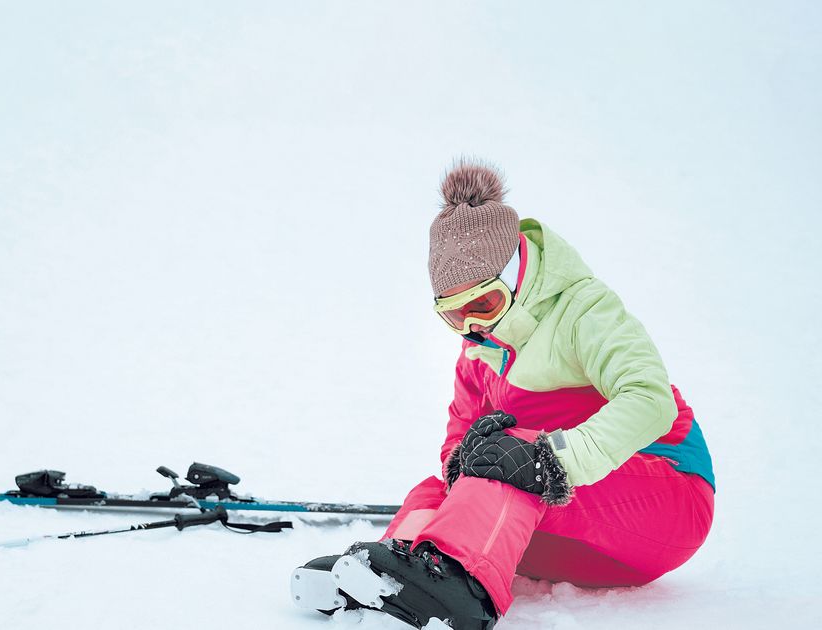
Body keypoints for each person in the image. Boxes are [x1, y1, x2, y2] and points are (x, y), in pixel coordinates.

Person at [290, 161, 715, 629]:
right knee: (441, 485)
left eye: (485, 303)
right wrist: (464, 465)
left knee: (511, 460)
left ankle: (460, 595)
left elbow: (650, 400)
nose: (474, 325)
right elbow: (457, 439)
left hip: (666, 501)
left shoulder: (584, 310)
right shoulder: (478, 354)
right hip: (578, 540)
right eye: (455, 315)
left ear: (515, 275)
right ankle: (392, 575)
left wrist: (552, 460)